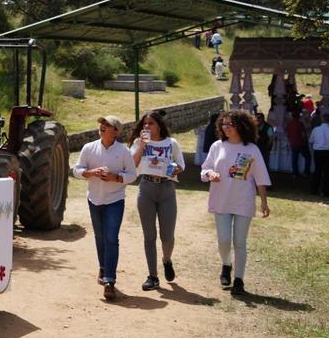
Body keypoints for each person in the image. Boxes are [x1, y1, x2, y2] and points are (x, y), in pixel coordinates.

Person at [200, 110, 272, 296]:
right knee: (224, 240)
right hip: (222, 200)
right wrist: (210, 174)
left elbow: (261, 177)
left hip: (243, 201)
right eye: (223, 125)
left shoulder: (252, 149)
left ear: (242, 126)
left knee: (240, 242)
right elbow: (205, 168)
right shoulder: (217, 146)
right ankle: (226, 265)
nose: (226, 128)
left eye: (230, 124)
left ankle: (239, 279)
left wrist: (263, 201)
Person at [72, 115, 137, 300]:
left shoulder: (123, 151)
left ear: (116, 131)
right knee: (100, 237)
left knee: (111, 238)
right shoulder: (89, 148)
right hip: (94, 199)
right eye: (102, 124)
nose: (102, 126)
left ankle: (109, 280)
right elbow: (76, 169)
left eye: (107, 125)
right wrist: (90, 172)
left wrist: (116, 177)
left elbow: (133, 174)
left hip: (115, 200)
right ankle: (103, 267)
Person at [129, 112, 186, 291]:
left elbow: (180, 165)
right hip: (146, 188)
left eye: (151, 123)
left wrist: (173, 169)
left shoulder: (171, 143)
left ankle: (166, 260)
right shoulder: (139, 143)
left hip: (167, 189)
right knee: (149, 236)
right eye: (144, 124)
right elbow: (131, 164)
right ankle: (153, 276)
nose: (147, 126)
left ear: (159, 125)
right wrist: (142, 146)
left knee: (167, 236)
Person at [309, 114, 329, 196]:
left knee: (317, 170)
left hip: (318, 151)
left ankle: (314, 190)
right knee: (328, 172)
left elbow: (311, 140)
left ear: (322, 120)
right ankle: (326, 191)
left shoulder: (316, 129)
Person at [285, 111, 311, 178]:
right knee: (308, 157)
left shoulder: (289, 124)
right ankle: (306, 172)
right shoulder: (300, 123)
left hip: (293, 143)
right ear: (298, 117)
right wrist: (305, 142)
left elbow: (287, 133)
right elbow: (303, 134)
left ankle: (295, 173)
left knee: (294, 159)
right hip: (301, 143)